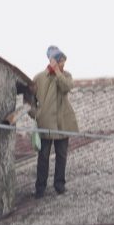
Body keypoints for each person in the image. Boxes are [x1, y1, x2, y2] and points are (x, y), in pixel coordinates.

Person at [29, 45, 78, 197]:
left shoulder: (66, 76)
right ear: (53, 60)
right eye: (60, 61)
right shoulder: (39, 78)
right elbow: (29, 100)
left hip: (63, 122)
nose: (63, 64)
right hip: (46, 123)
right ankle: (40, 188)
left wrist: (57, 72)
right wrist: (36, 114)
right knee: (43, 156)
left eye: (63, 61)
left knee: (61, 155)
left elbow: (66, 87)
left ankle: (59, 185)